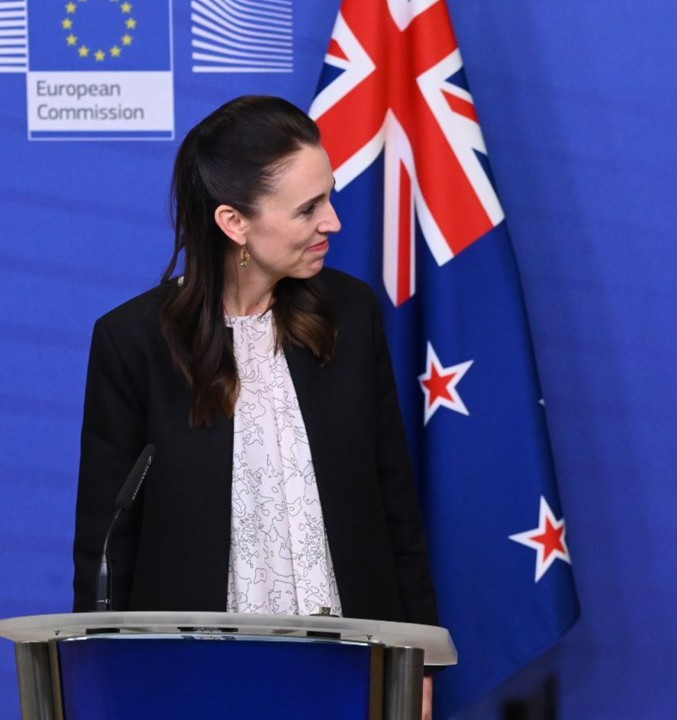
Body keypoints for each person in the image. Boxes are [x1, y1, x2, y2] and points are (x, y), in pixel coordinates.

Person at [73, 96, 439, 712]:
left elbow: (395, 504)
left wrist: (420, 663)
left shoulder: (351, 314)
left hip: (351, 673)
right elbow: (106, 543)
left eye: (329, 197)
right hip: (195, 681)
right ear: (234, 223)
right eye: (308, 209)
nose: (334, 223)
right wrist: (98, 685)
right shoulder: (131, 343)